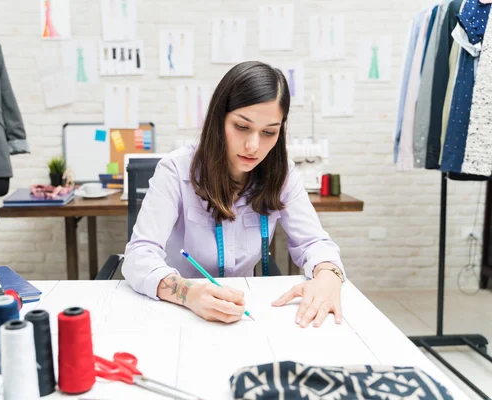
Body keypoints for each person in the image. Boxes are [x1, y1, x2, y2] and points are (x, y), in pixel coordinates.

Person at [122, 61, 345, 328]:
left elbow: (314, 243)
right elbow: (139, 255)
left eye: (269, 132)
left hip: (244, 312)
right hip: (178, 312)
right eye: (241, 127)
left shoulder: (281, 173)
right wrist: (189, 293)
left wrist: (328, 277)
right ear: (219, 119)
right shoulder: (175, 170)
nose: (253, 146)